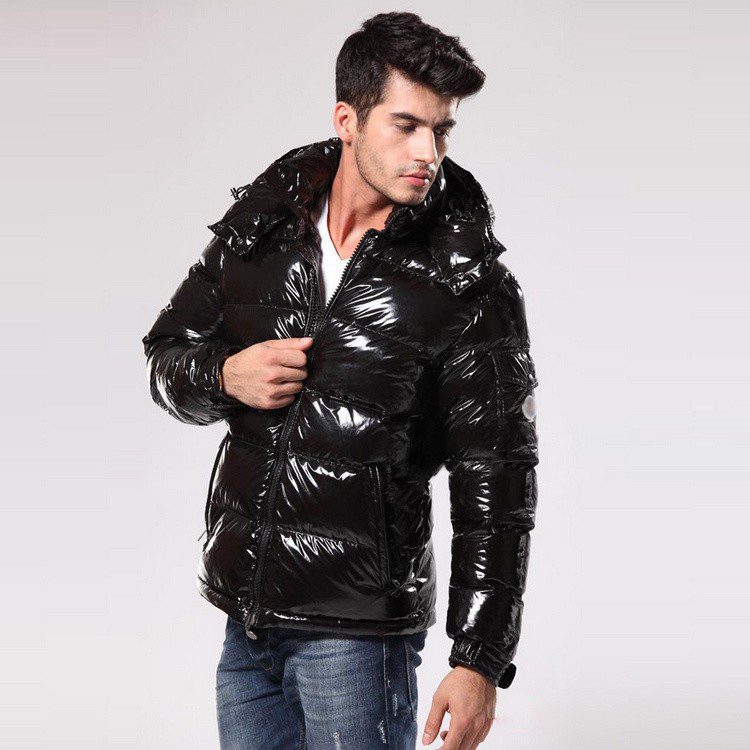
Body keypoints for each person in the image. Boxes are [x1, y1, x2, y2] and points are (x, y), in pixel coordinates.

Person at [142, 11, 540, 750]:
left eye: (442, 131)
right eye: (406, 125)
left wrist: (478, 659)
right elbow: (166, 355)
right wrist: (226, 375)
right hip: (246, 624)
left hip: (359, 640)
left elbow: (498, 477)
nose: (427, 153)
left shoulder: (467, 280)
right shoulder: (264, 227)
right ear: (347, 120)